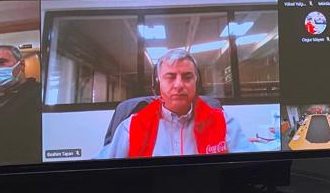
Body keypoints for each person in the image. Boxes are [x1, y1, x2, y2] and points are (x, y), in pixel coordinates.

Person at [96, 50, 254, 158]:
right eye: (170, 77)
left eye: (187, 77)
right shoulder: (132, 127)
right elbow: (100, 171)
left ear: (196, 82)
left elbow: (251, 166)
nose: (179, 85)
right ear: (158, 83)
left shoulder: (224, 122)